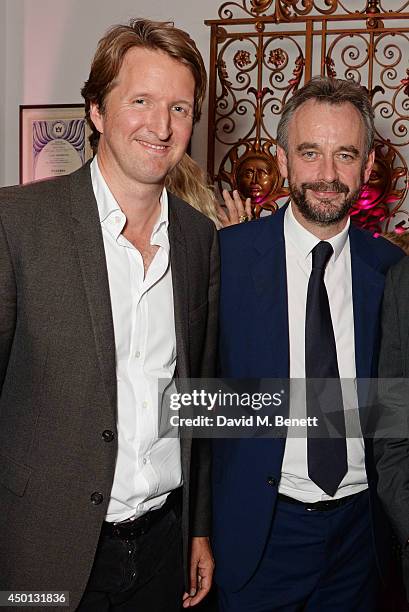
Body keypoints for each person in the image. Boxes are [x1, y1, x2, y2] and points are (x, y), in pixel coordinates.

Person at [0, 18, 217, 612]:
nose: (161, 125)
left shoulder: (199, 239)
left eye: (179, 107)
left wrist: (197, 526)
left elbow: (195, 393)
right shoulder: (18, 223)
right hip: (42, 550)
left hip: (161, 548)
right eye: (141, 100)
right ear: (96, 110)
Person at [213, 76, 404, 611]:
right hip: (258, 532)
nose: (326, 175)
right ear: (282, 159)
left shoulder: (390, 272)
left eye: (345, 155)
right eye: (309, 152)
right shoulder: (223, 260)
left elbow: (396, 411)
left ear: (367, 166)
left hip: (361, 539)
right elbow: (186, 402)